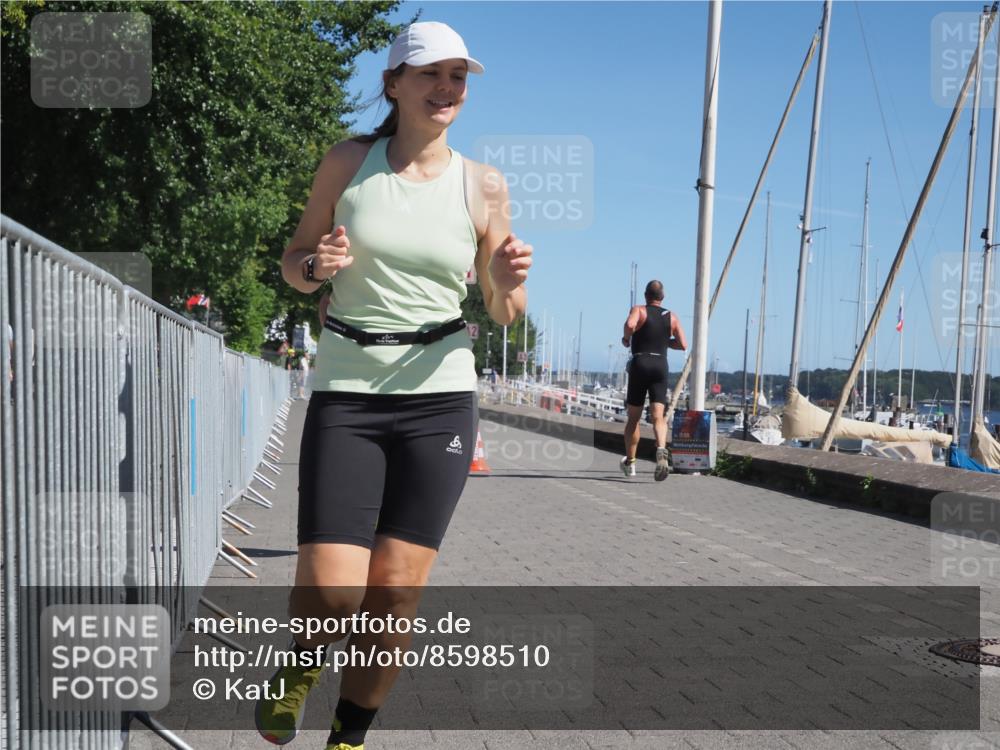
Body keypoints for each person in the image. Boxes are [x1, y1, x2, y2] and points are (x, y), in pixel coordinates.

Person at [257, 21, 531, 750]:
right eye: (430, 74)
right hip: (348, 392)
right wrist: (318, 268)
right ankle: (302, 665)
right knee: (333, 589)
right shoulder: (348, 163)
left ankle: (348, 737)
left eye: (458, 77)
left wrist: (505, 284)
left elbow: (503, 309)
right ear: (394, 85)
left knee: (394, 594)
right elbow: (293, 261)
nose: (447, 89)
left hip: (439, 395)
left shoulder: (484, 184)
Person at [620, 280, 687, 481]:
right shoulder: (671, 316)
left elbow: (630, 324)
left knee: (634, 418)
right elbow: (683, 344)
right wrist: (665, 342)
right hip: (660, 365)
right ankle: (661, 449)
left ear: (646, 295)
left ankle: (630, 463)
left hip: (641, 363)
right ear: (662, 297)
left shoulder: (639, 310)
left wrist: (626, 338)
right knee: (659, 416)